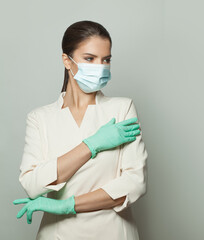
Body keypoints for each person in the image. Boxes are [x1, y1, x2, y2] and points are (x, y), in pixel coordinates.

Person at [12, 20, 148, 240]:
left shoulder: (122, 109)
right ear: (67, 60)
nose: (101, 67)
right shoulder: (40, 118)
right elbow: (32, 185)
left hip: (112, 233)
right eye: (89, 59)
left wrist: (68, 205)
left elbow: (135, 184)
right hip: (58, 234)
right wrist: (91, 145)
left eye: (106, 59)